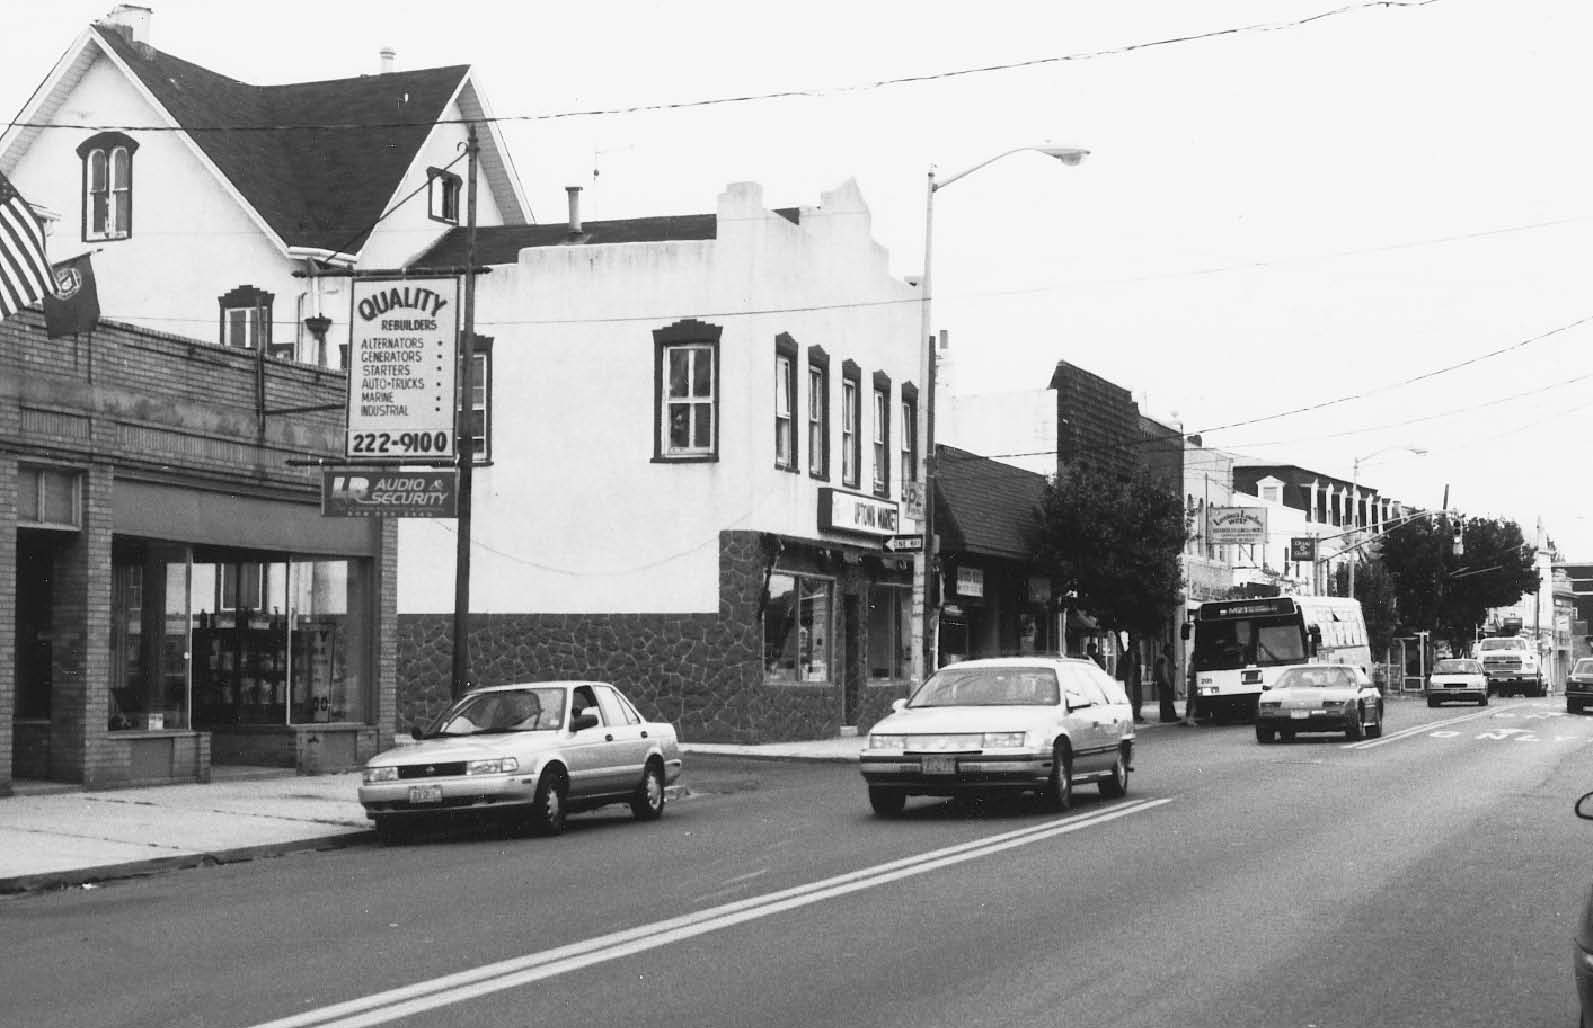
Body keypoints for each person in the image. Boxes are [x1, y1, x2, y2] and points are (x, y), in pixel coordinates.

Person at [1155, 643, 1179, 723]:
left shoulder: (1163, 658)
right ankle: (1167, 717)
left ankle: (1168, 716)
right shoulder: (1164, 659)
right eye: (1171, 649)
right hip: (1165, 683)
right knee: (1166, 701)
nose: (1172, 652)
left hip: (1164, 683)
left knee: (1166, 701)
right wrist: (1168, 683)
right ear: (1167, 650)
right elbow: (1164, 672)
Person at [1120, 644, 1144, 723]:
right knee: (1132, 697)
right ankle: (1134, 713)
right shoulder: (1127, 655)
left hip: (1136, 679)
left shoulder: (1136, 654)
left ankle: (1137, 713)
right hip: (1130, 679)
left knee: (1137, 697)